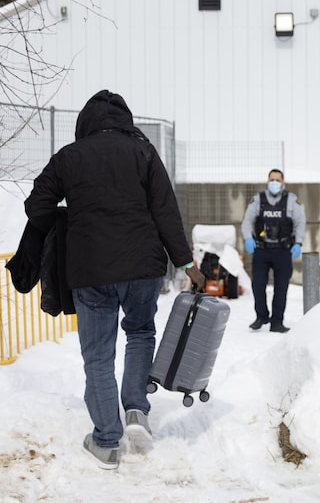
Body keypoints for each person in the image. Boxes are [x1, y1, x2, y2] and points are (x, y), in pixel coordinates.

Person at [23, 90, 205, 470]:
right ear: (125, 120)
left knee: (98, 353)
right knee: (140, 332)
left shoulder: (69, 157)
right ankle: (136, 409)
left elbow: (36, 205)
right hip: (142, 267)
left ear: (85, 123)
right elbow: (165, 211)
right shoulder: (143, 152)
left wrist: (68, 218)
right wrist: (186, 262)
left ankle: (107, 441)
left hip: (90, 270)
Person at [242, 169, 306, 333]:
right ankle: (261, 316)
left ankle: (277, 322)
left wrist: (298, 243)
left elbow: (300, 222)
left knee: (281, 288)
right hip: (262, 250)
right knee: (258, 285)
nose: (274, 183)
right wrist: (248, 238)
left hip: (283, 250)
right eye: (272, 180)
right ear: (267, 181)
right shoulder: (258, 199)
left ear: (283, 183)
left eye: (278, 180)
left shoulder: (291, 200)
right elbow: (247, 221)